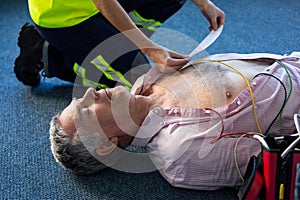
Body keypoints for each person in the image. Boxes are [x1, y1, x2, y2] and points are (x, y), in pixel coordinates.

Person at [50, 52, 300, 190]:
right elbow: (282, 159)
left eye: (79, 99)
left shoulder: (145, 80)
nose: (90, 93)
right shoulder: (181, 153)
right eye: (86, 111)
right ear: (107, 145)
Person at [14, 0, 225, 88]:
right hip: (66, 17)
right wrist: (150, 50)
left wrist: (204, 3)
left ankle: (117, 40)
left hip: (101, 6)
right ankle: (50, 55)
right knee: (136, 78)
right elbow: (104, 2)